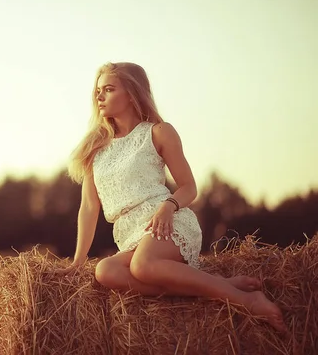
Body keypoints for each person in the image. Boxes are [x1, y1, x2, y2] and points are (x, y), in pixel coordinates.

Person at [60, 62, 286, 332]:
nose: (99, 96)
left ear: (132, 94)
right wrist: (78, 260)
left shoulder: (158, 132)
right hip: (131, 235)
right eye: (98, 90)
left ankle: (248, 301)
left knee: (143, 265)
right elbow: (88, 207)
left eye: (108, 89)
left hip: (169, 223)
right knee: (105, 271)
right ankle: (217, 285)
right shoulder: (94, 148)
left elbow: (189, 187)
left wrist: (169, 206)